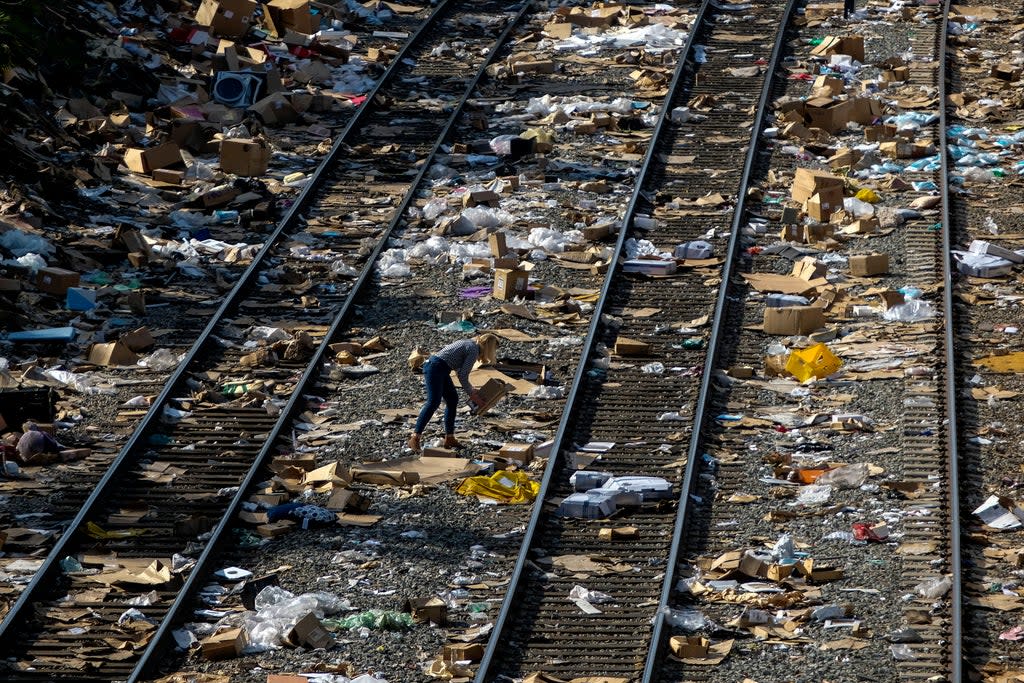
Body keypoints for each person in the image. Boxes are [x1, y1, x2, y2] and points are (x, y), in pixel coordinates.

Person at [408, 333, 498, 452]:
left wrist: (471, 389)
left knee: (452, 400)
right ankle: (415, 438)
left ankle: (449, 438)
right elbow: (462, 375)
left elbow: (458, 369)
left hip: (440, 368)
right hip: (435, 368)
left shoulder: (469, 344)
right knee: (433, 402)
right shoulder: (473, 350)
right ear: (489, 347)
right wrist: (472, 394)